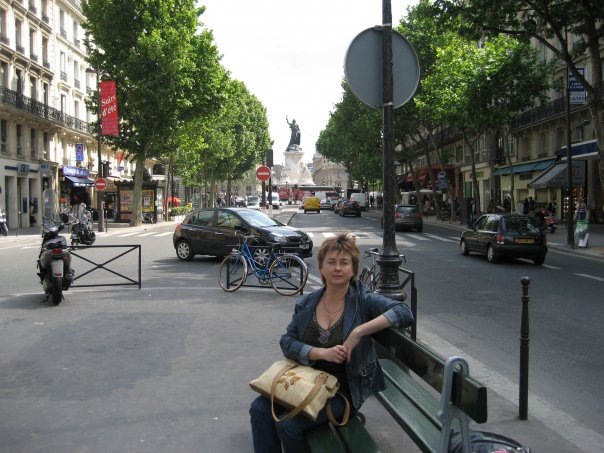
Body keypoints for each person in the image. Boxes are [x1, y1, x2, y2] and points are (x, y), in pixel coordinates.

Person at [249, 233, 413, 453]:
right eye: (331, 262)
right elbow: (287, 342)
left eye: (344, 263)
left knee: (288, 425)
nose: (337, 268)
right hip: (305, 382)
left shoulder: (362, 300)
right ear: (322, 268)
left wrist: (358, 331)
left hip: (343, 391)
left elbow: (403, 311)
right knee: (258, 409)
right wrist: (318, 353)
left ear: (353, 270)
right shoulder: (307, 303)